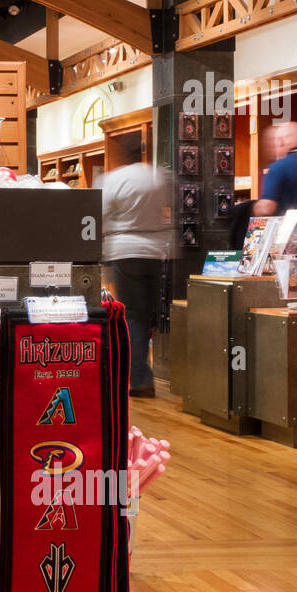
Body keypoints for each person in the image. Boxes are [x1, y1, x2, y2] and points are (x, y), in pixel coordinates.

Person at [98, 133, 171, 398]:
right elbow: (168, 212)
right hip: (155, 252)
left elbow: (101, 217)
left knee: (131, 317)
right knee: (146, 316)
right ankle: (143, 374)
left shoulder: (113, 180)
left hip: (124, 252)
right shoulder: (157, 176)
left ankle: (136, 376)